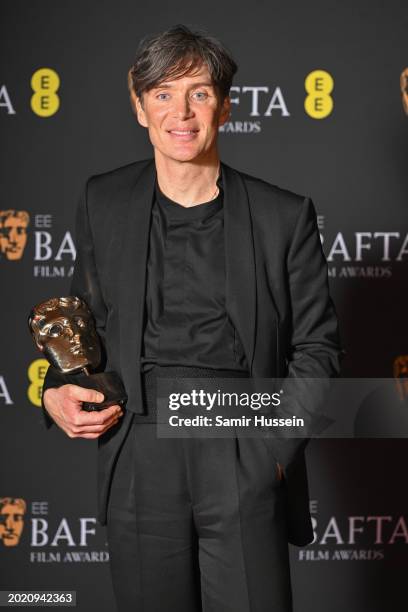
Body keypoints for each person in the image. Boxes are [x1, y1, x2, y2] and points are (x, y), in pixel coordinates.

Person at [41, 23, 343, 612]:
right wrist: (56, 391)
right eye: (162, 93)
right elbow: (85, 329)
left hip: (240, 440)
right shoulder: (103, 200)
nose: (181, 112)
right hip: (138, 447)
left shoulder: (284, 215)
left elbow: (318, 348)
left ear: (225, 108)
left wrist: (272, 454)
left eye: (199, 92)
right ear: (139, 106)